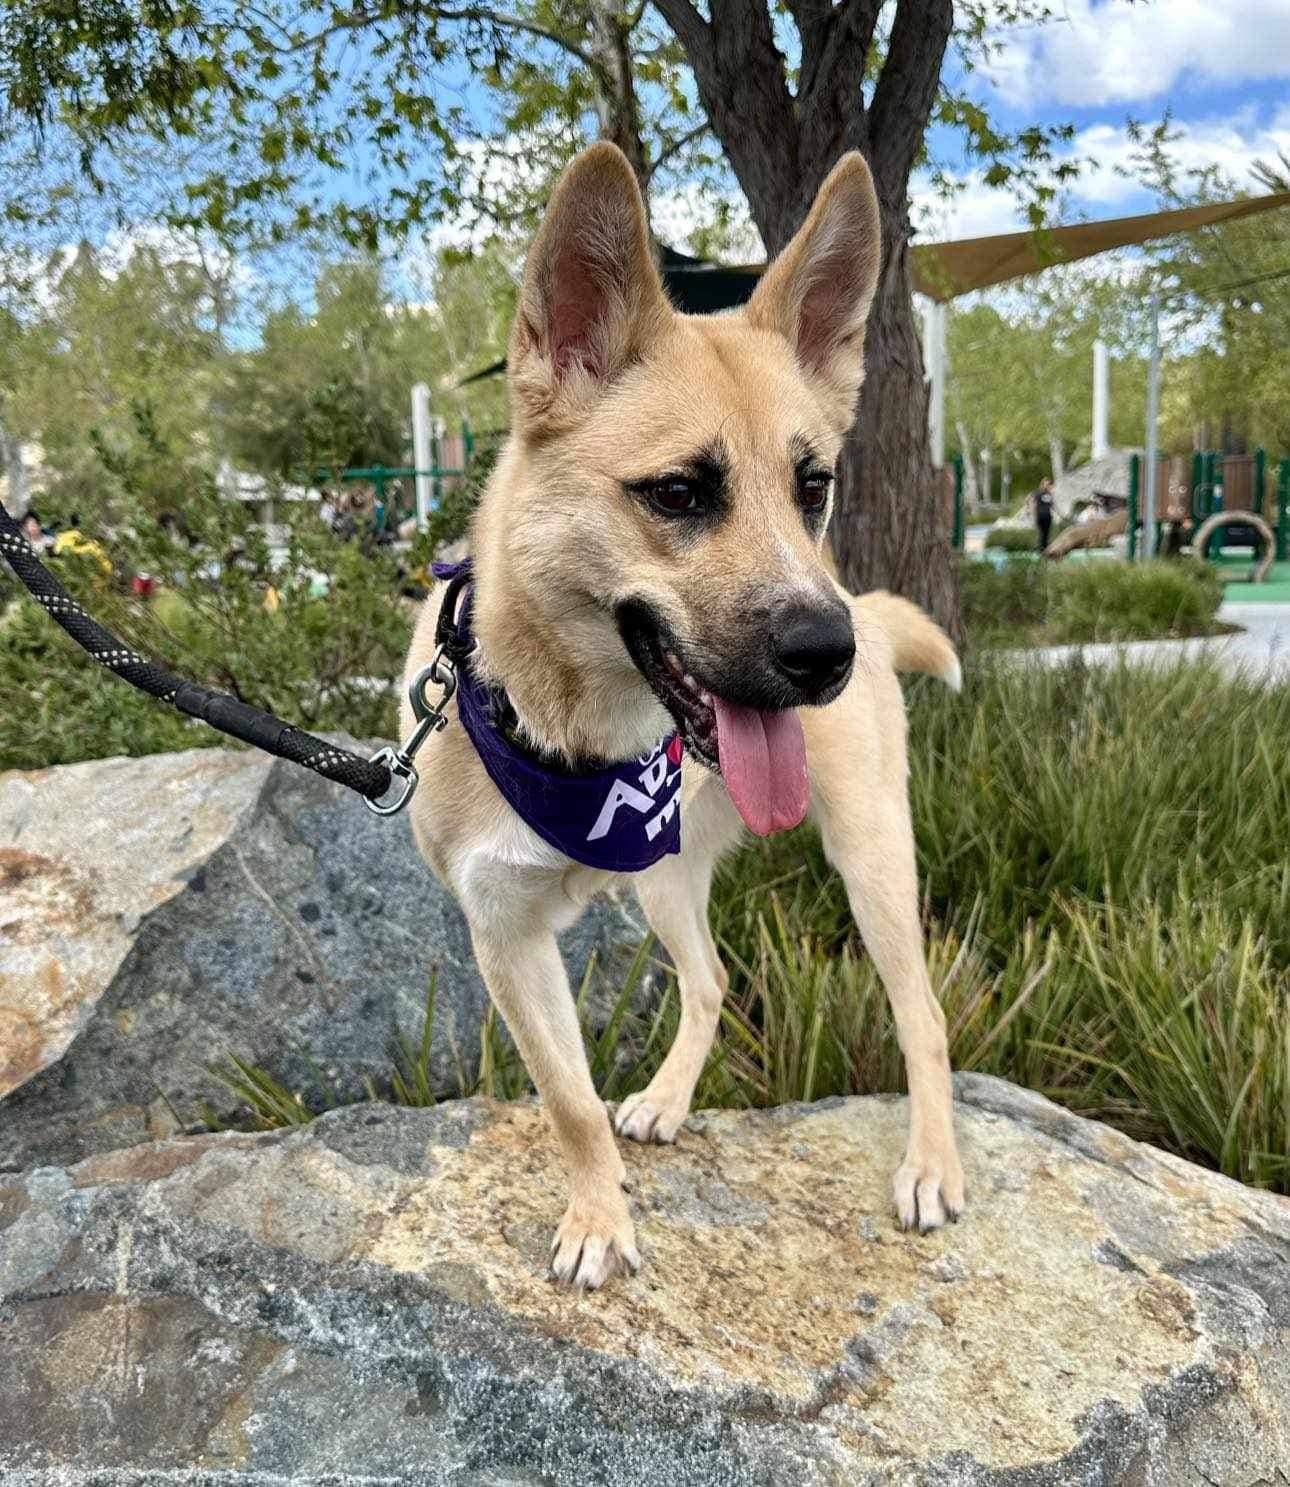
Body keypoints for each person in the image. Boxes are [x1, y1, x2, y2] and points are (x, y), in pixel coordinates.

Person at [1033, 477, 1055, 552]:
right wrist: (1035, 515)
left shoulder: (1049, 494)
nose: (1048, 486)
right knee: (1041, 534)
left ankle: (1046, 549)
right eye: (1046, 484)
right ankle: (1040, 549)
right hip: (1040, 516)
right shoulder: (1038, 493)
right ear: (1042, 484)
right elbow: (1034, 504)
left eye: (1049, 484)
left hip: (1048, 516)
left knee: (1047, 534)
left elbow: (1051, 505)